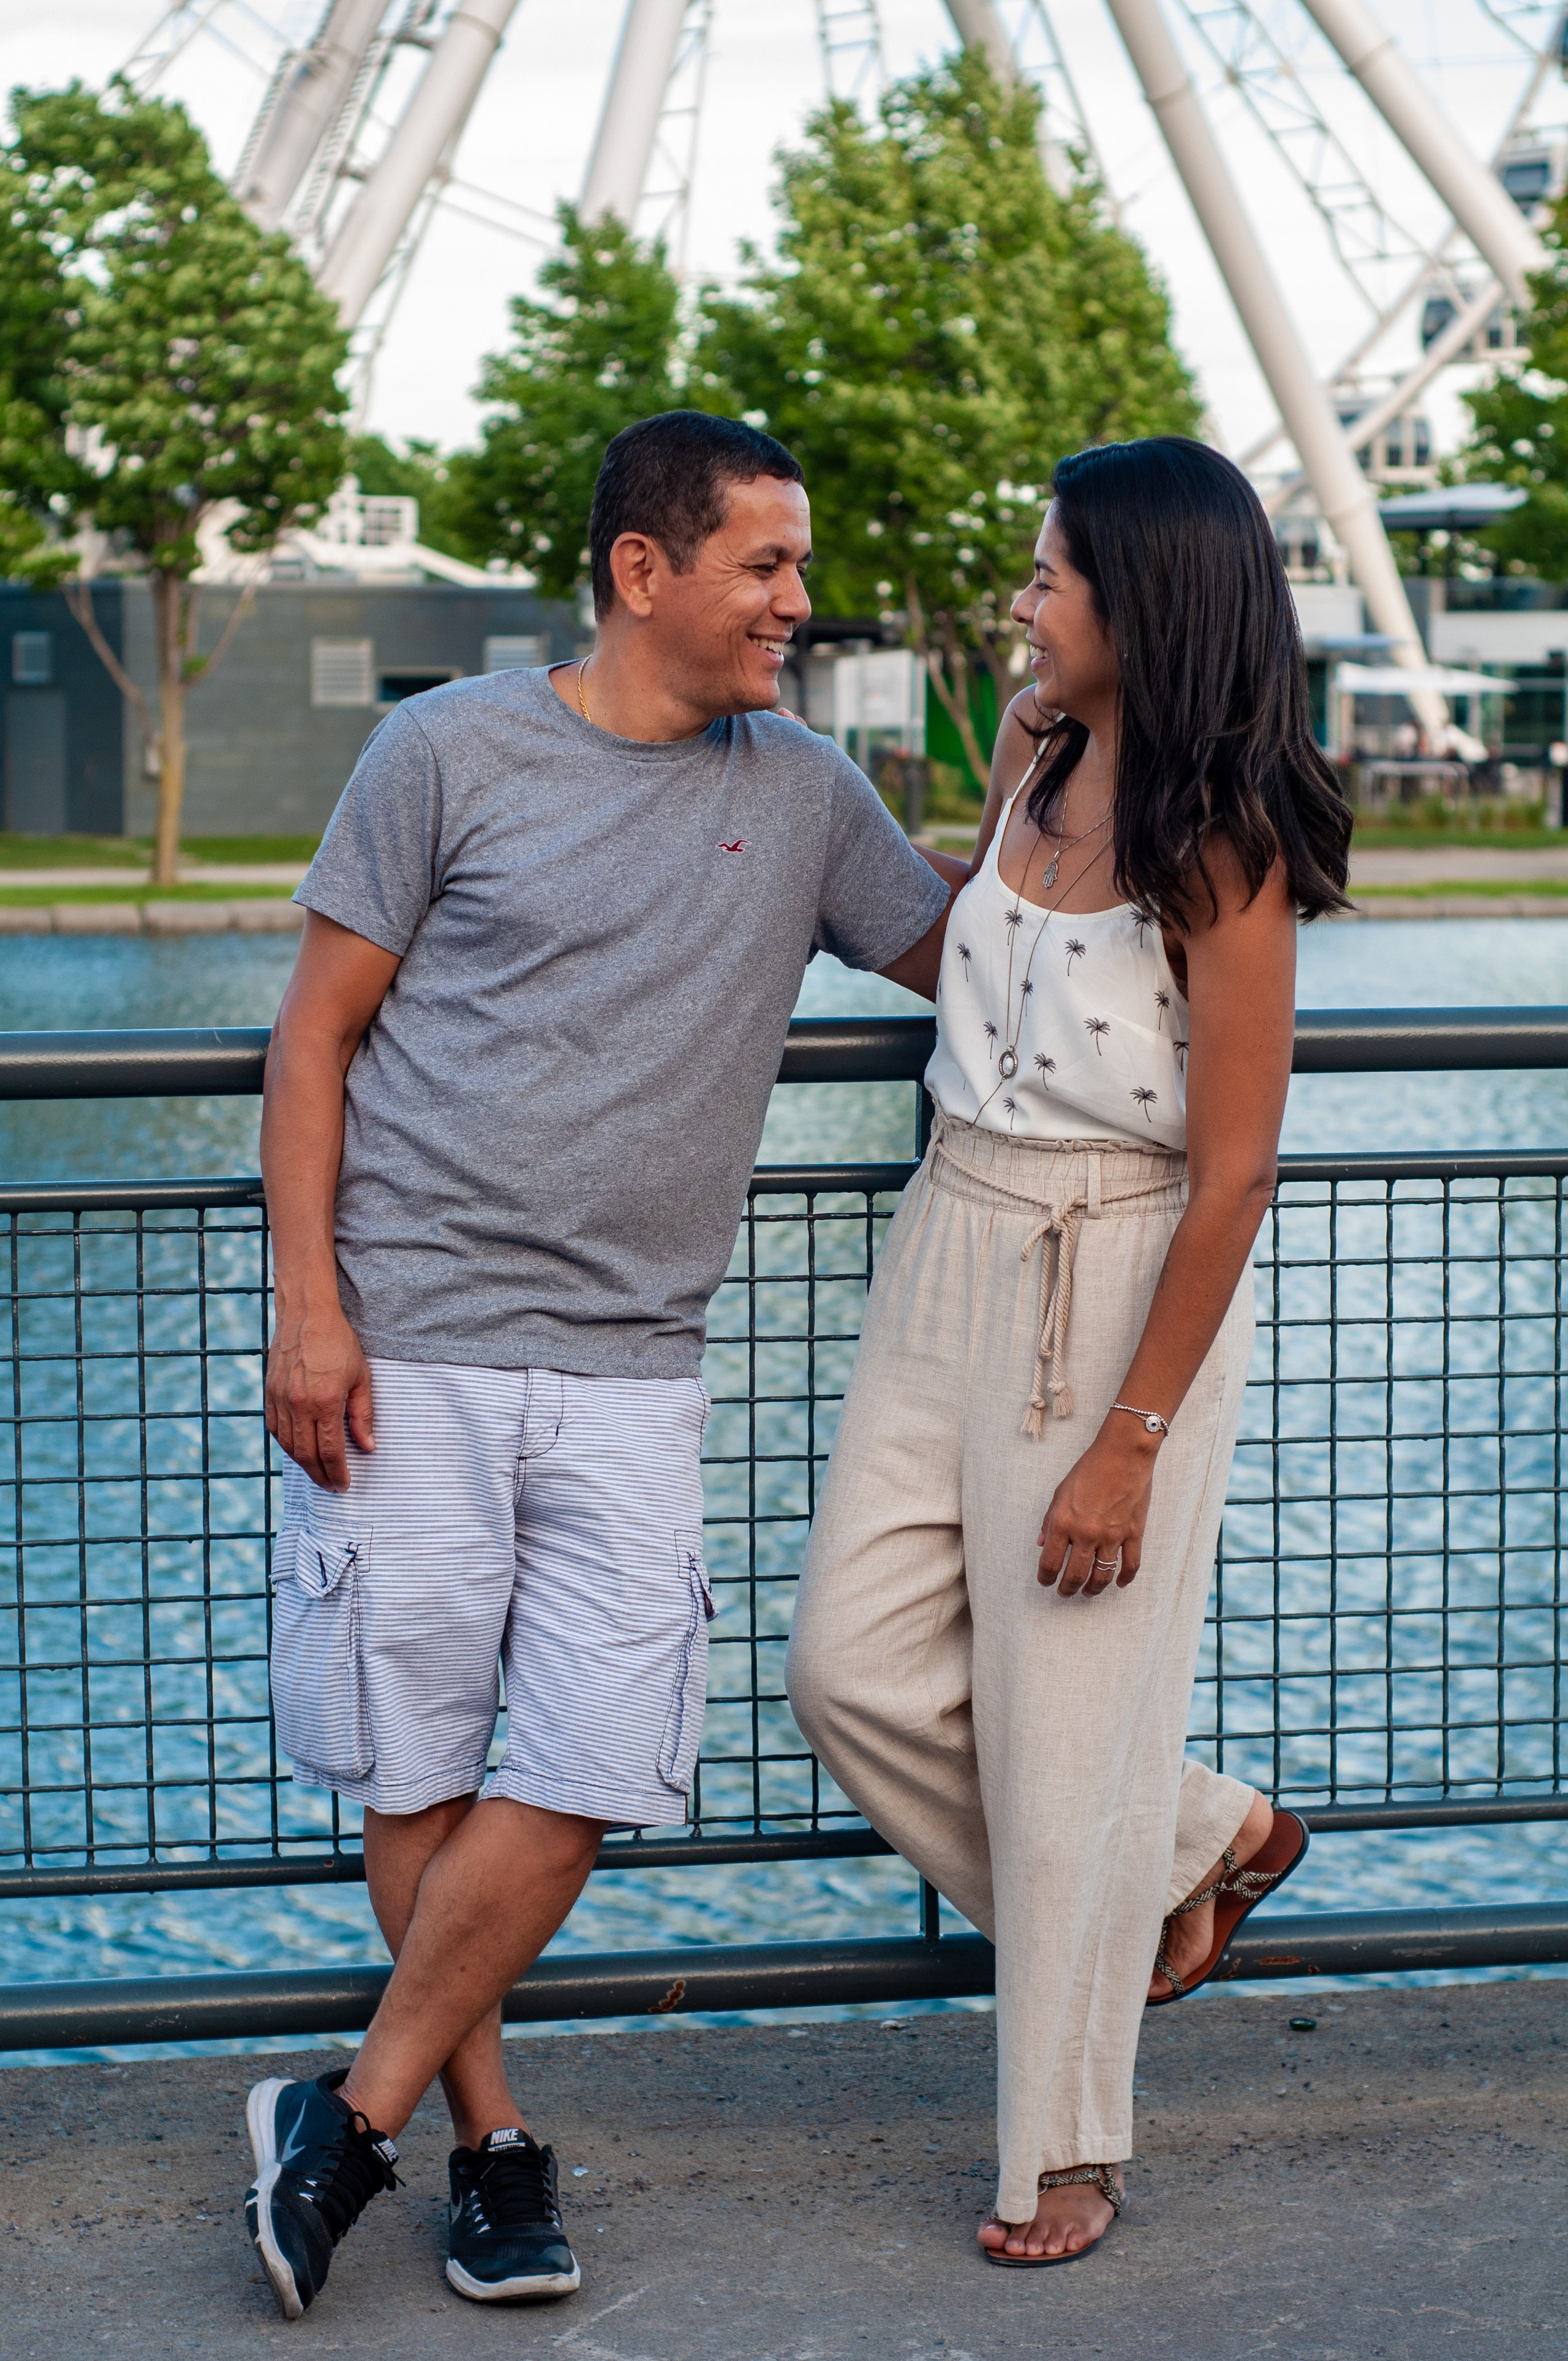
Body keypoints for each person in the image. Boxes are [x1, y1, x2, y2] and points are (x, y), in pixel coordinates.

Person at [246, 410, 958, 2321]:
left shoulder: (802, 790)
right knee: (418, 1763)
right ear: (644, 572)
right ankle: (487, 2152)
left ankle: (345, 2112)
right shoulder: (444, 752)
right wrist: (308, 1308)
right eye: (766, 568)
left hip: (637, 1365)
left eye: (798, 569)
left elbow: (978, 957)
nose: (799, 604)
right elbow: (310, 1042)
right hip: (411, 1345)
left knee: (588, 1760)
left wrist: (1131, 773)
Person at [786, 437, 1350, 2268]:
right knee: (845, 1668)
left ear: (1144, 598)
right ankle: (1196, 1839)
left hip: (1112, 1279)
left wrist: (1131, 1438)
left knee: (1063, 1727)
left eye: (1052, 575)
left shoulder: (1227, 836)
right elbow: (974, 962)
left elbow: (1238, 1165)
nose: (1029, 597)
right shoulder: (1037, 756)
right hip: (945, 1226)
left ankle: (1069, 2149)